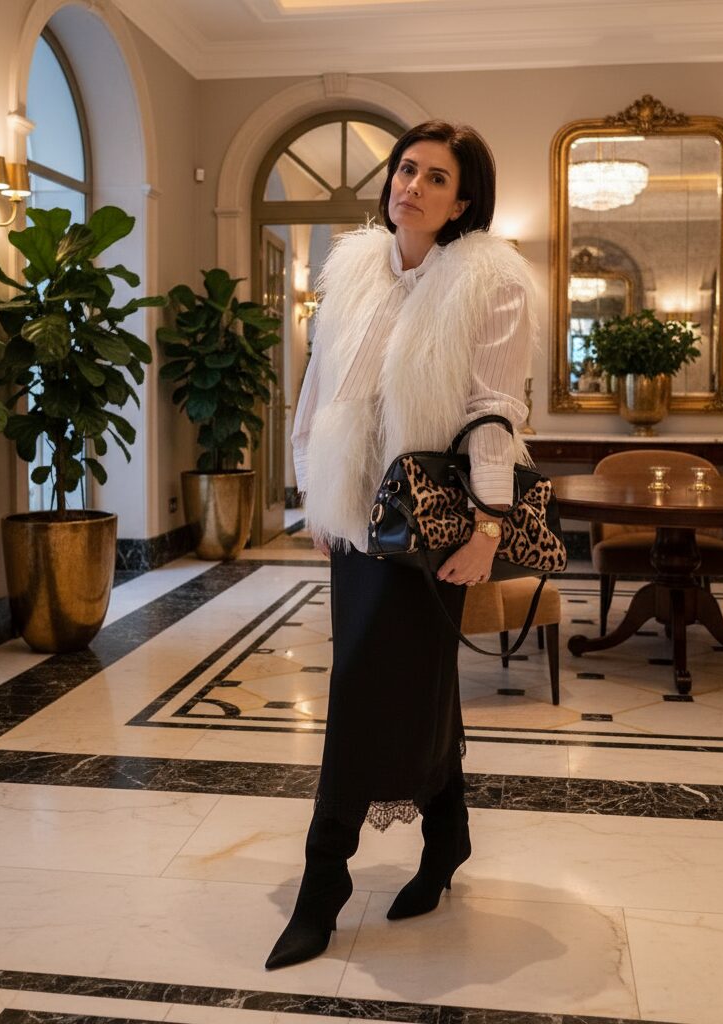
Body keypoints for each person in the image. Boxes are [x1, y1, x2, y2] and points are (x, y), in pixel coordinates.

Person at [266, 120, 537, 970]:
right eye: (406, 169)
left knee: (362, 691)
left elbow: (495, 409)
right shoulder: (354, 269)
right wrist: (315, 495)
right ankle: (447, 834)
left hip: (436, 527)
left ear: (463, 201)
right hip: (357, 519)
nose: (411, 186)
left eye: (435, 178)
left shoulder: (491, 281)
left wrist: (489, 527)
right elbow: (318, 388)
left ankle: (323, 879)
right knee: (415, 685)